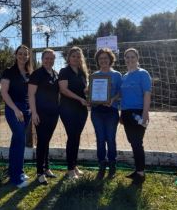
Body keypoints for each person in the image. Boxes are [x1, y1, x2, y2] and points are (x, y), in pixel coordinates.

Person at [0, 45, 33, 188]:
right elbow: (4, 92)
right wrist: (15, 109)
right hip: (14, 109)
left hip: (26, 110)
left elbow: (30, 93)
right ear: (15, 55)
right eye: (20, 54)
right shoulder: (9, 71)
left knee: (17, 141)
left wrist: (30, 108)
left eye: (25, 54)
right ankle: (16, 179)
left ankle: (16, 170)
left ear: (28, 56)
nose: (23, 56)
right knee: (20, 139)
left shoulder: (28, 72)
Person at [120, 48, 152, 185]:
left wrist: (145, 114)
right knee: (133, 142)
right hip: (126, 113)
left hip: (138, 113)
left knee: (137, 143)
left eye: (132, 57)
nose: (130, 59)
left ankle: (140, 173)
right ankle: (137, 169)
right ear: (125, 59)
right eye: (127, 57)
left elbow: (147, 94)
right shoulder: (124, 76)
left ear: (137, 58)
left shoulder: (143, 74)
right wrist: (122, 114)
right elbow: (123, 97)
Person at [28, 49, 59, 185]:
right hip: (40, 113)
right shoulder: (37, 74)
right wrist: (34, 113)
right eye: (46, 58)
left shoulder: (55, 74)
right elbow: (31, 95)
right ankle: (40, 172)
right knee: (41, 141)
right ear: (42, 59)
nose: (49, 61)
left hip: (54, 113)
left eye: (51, 58)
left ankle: (47, 168)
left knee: (46, 141)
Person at [90, 48, 122, 179]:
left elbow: (120, 92)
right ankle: (102, 165)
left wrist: (112, 99)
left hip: (112, 110)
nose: (103, 60)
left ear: (110, 59)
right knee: (100, 138)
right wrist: (89, 95)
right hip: (97, 111)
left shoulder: (117, 75)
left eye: (106, 58)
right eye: (101, 58)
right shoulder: (94, 75)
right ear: (98, 60)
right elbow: (91, 93)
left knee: (110, 138)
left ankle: (112, 165)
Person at [59, 46, 89, 179]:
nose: (76, 58)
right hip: (68, 109)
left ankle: (74, 165)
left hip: (82, 110)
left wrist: (90, 93)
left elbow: (84, 90)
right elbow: (64, 90)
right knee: (72, 137)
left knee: (76, 137)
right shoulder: (64, 71)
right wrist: (80, 99)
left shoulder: (82, 73)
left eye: (78, 56)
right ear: (69, 58)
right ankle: (70, 170)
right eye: (73, 56)